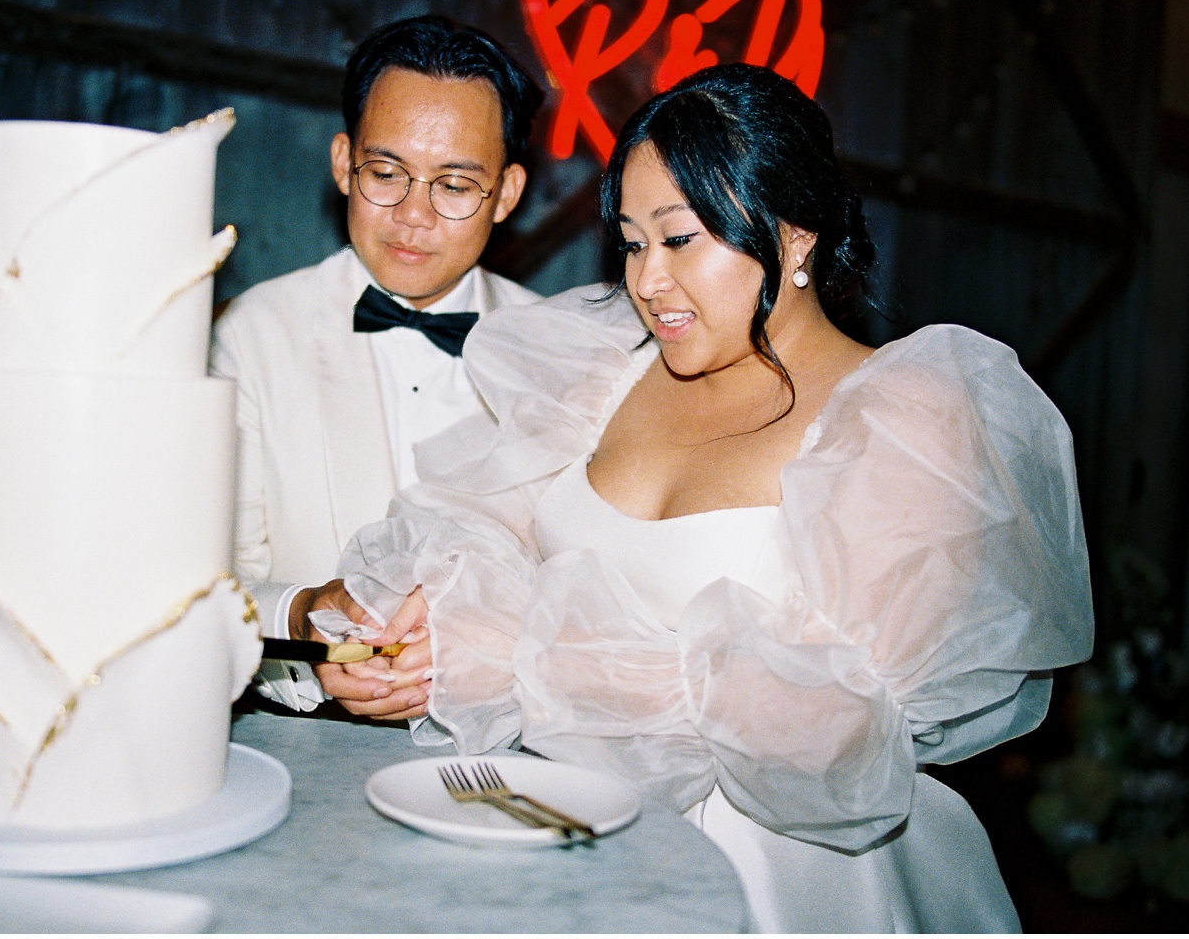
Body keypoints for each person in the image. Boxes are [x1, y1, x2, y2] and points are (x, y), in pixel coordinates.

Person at [318, 64, 1095, 931]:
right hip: (575, 850)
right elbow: (500, 549)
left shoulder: (904, 417)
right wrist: (436, 639)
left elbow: (850, 732)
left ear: (795, 234)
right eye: (631, 241)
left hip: (790, 884)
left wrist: (553, 665)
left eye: (680, 238)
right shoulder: (601, 378)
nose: (648, 281)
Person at [209, 15, 543, 716]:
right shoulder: (251, 334)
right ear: (342, 163)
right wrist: (302, 619)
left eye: (454, 186)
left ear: (508, 192)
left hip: (510, 757)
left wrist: (487, 656)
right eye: (387, 174)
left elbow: (589, 590)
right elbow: (199, 582)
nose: (412, 215)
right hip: (307, 748)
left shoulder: (557, 350)